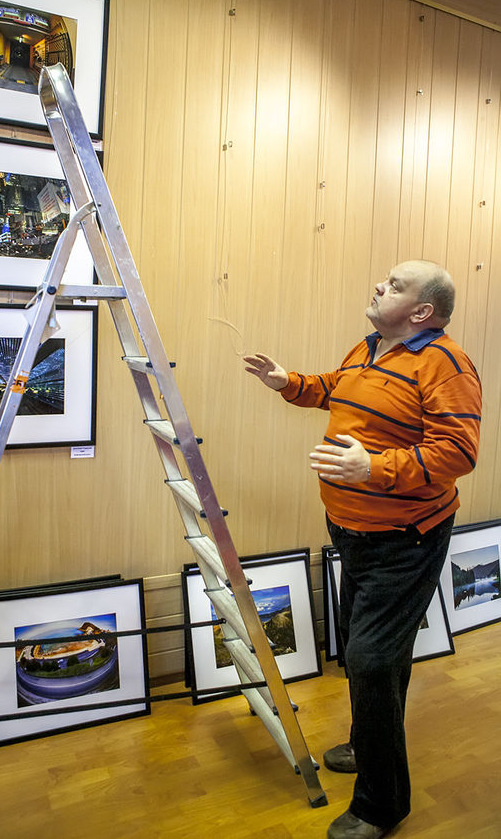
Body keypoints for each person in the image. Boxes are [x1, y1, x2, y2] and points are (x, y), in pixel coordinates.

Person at [243, 260, 481, 839]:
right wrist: (289, 383)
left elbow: (459, 453)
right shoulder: (371, 347)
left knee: (370, 659)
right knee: (370, 650)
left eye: (396, 285)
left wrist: (372, 467)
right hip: (350, 530)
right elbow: (335, 388)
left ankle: (382, 804)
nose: (380, 285)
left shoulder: (447, 365)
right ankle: (364, 743)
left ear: (423, 311)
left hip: (407, 538)